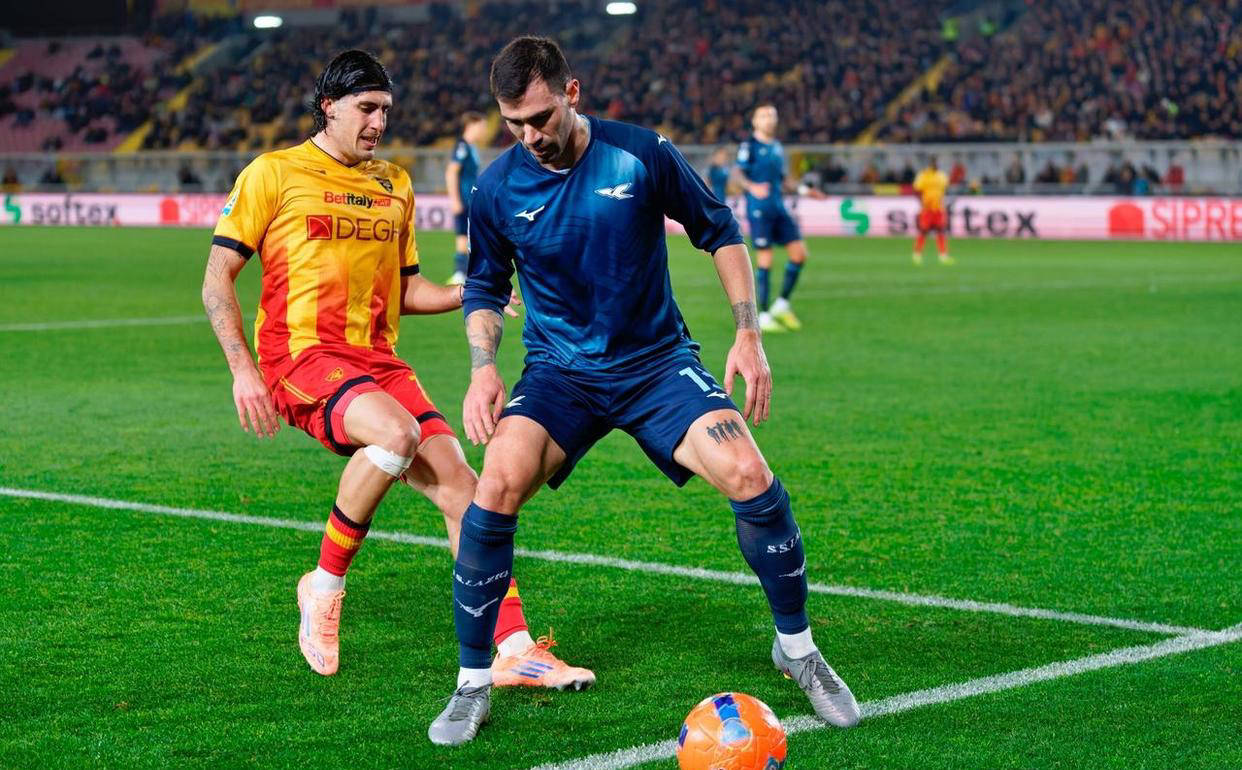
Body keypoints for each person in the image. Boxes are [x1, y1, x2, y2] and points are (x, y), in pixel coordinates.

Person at [427, 36, 859, 747]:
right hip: (561, 374)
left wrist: (747, 333)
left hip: (657, 365)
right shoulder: (496, 186)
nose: (529, 136)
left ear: (572, 92)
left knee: (750, 475)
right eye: (513, 124)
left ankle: (798, 649)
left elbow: (719, 230)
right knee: (494, 486)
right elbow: (483, 285)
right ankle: (474, 681)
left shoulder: (640, 153)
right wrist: (482, 366)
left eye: (540, 117)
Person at [200, 49, 592, 690]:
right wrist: (242, 369)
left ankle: (514, 648)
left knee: (465, 489)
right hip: (300, 356)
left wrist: (471, 292)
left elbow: (406, 289)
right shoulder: (273, 173)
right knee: (396, 433)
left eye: (385, 109)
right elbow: (218, 279)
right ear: (328, 107)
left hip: (378, 362)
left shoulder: (394, 185)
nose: (379, 122)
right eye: (366, 108)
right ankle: (324, 585)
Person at [733, 104, 821, 334]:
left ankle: (781, 305)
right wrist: (751, 186)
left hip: (779, 208)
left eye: (772, 115)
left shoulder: (777, 147)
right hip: (759, 209)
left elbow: (783, 179)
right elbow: (737, 174)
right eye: (764, 116)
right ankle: (762, 315)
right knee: (765, 260)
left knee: (799, 254)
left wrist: (804, 190)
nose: (769, 119)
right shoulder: (749, 146)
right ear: (755, 121)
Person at [445, 111, 488, 285]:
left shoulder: (471, 147)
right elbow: (451, 172)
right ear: (471, 126)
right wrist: (455, 200)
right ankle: (460, 273)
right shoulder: (462, 146)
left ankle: (464, 272)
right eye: (481, 126)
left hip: (471, 199)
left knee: (469, 236)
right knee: (464, 235)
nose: (483, 130)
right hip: (463, 199)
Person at [911, 156, 952, 265]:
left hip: (938, 208)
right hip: (927, 208)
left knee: (941, 230)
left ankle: (943, 256)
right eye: (933, 162)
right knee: (924, 230)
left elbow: (945, 189)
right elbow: (917, 190)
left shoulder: (942, 176)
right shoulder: (923, 175)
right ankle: (917, 254)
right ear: (930, 164)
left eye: (936, 162)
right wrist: (922, 203)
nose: (935, 164)